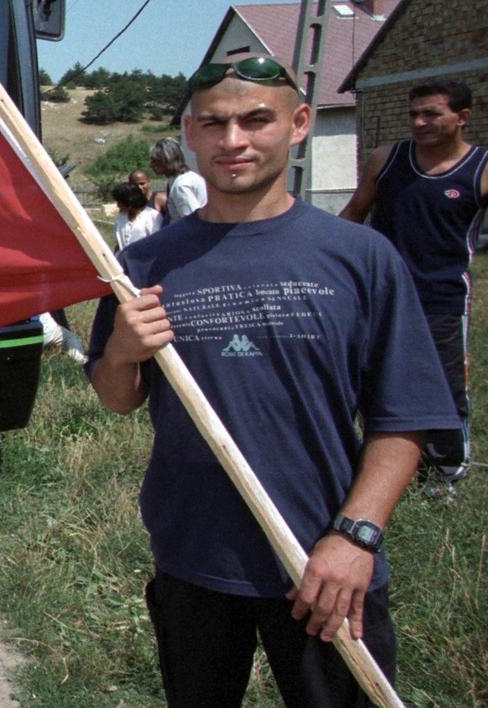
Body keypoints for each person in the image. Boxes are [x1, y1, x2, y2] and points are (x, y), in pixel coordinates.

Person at [86, 52, 458, 706]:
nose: (234, 141)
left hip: (324, 565)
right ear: (191, 133)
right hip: (194, 558)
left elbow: (404, 418)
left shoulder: (360, 256)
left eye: (257, 120)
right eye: (214, 124)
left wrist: (357, 536)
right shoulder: (142, 262)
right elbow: (118, 400)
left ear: (299, 123)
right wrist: (120, 350)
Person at [340, 79, 482, 491]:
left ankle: (444, 474)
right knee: (373, 381)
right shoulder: (387, 160)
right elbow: (353, 215)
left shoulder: (479, 169)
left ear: (462, 118)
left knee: (443, 385)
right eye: (413, 114)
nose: (419, 122)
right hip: (377, 295)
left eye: (431, 114)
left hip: (443, 299)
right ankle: (381, 468)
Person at [149, 136, 206, 222]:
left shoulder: (181, 186)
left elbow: (191, 221)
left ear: (166, 160)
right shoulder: (183, 179)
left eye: (154, 161)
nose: (151, 165)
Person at [112, 180, 162, 250]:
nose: (118, 205)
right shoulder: (122, 217)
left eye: (120, 202)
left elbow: (157, 242)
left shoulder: (151, 215)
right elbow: (118, 244)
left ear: (129, 201)